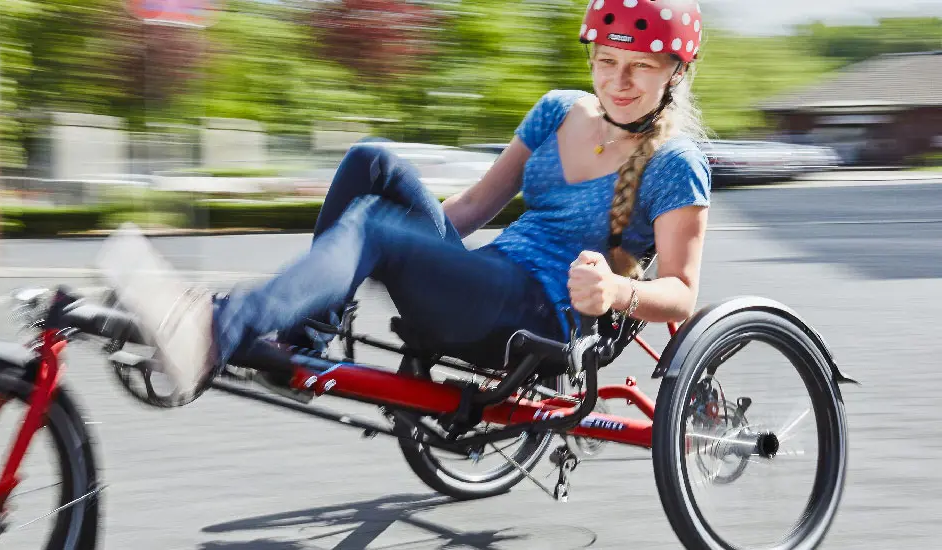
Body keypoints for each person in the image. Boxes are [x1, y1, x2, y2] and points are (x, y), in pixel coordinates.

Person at [97, 0, 712, 399]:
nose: (619, 82)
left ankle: (211, 331)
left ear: (673, 75)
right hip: (488, 278)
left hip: (538, 318)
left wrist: (617, 293)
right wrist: (410, 253)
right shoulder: (557, 111)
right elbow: (470, 211)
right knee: (373, 162)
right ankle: (303, 341)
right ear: (592, 58)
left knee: (376, 229)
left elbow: (682, 294)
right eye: (608, 62)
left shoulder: (675, 163)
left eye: (641, 68)